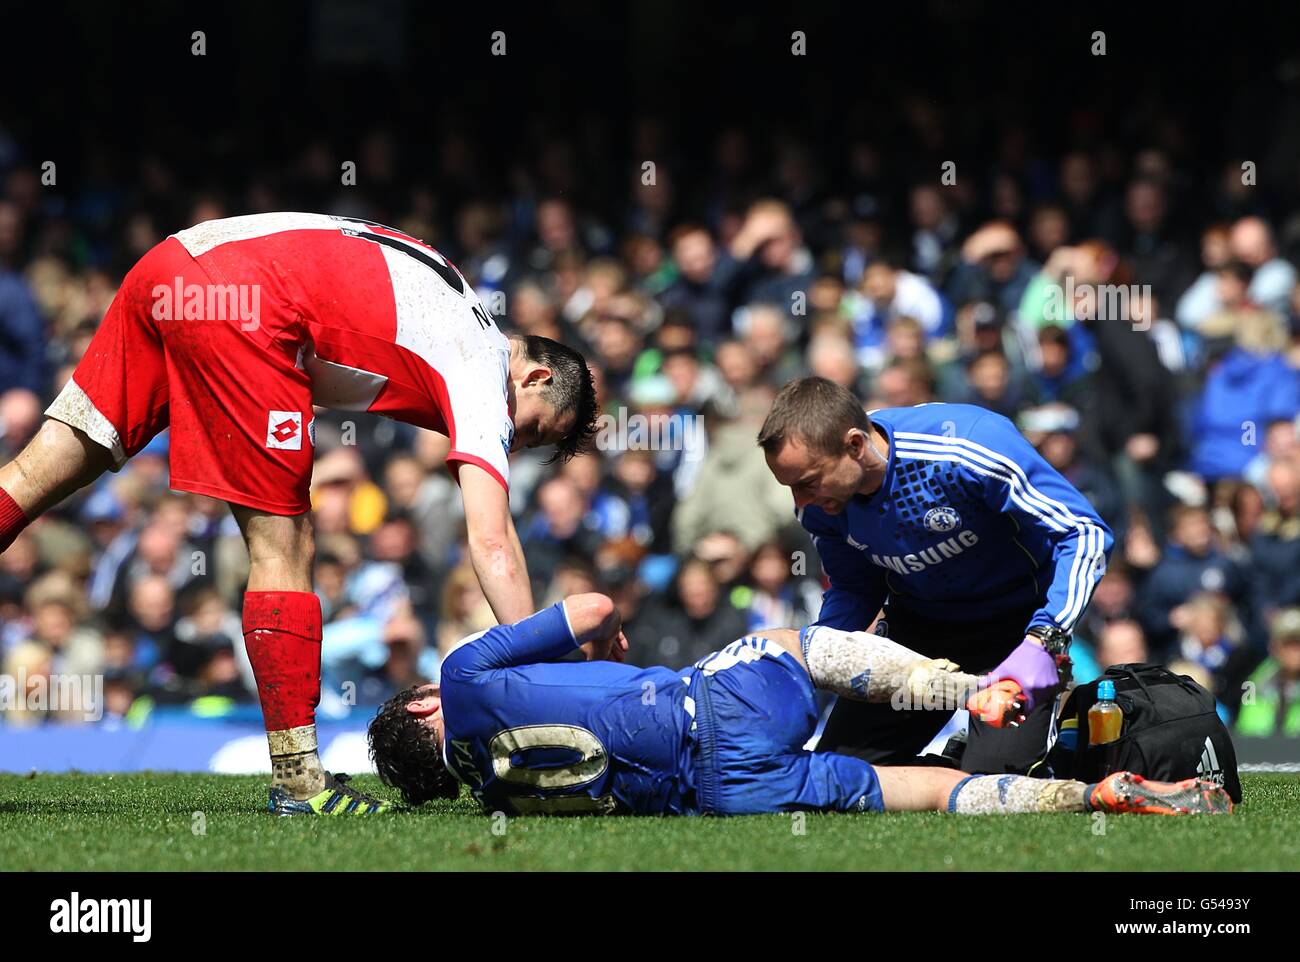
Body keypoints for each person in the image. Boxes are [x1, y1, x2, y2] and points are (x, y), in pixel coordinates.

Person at [0, 212, 598, 816]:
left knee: (33, 475)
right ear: (536, 377)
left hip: (175, 262)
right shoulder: (484, 369)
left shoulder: (452, 292)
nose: (512, 445)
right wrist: (543, 678)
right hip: (246, 304)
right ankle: (299, 782)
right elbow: (491, 543)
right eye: (532, 432)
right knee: (284, 544)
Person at [366, 594, 1230, 818]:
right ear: (425, 707)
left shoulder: (489, 796)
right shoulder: (464, 674)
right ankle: (977, 689)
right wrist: (605, 646)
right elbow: (590, 609)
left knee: (921, 791)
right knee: (798, 643)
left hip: (725, 796)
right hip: (709, 709)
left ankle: (1093, 798)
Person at [758, 376, 1113, 774]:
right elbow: (855, 587)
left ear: (855, 445)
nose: (800, 502)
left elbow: (1085, 533)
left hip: (1018, 629)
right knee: (841, 774)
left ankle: (1007, 752)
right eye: (790, 487)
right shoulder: (820, 506)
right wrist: (820, 655)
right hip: (919, 632)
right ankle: (948, 762)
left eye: (807, 482)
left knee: (996, 781)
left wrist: (1045, 639)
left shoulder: (967, 448)